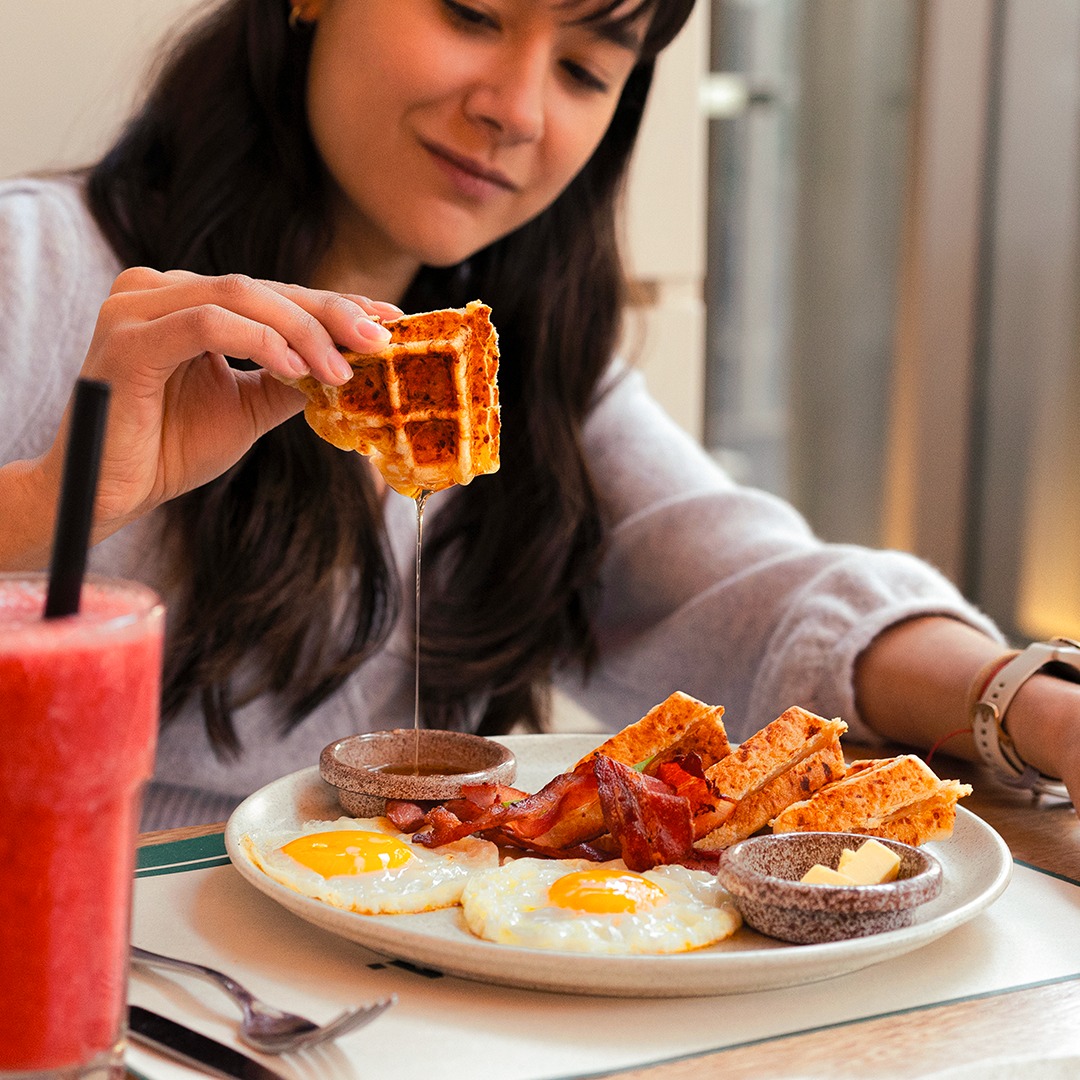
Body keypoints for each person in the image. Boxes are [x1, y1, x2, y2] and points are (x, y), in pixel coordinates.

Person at [1, 0, 1078, 830]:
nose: (516, 109)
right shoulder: (35, 270)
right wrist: (56, 506)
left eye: (581, 69)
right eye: (471, 13)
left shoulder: (528, 368)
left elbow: (746, 583)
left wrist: (1027, 701)